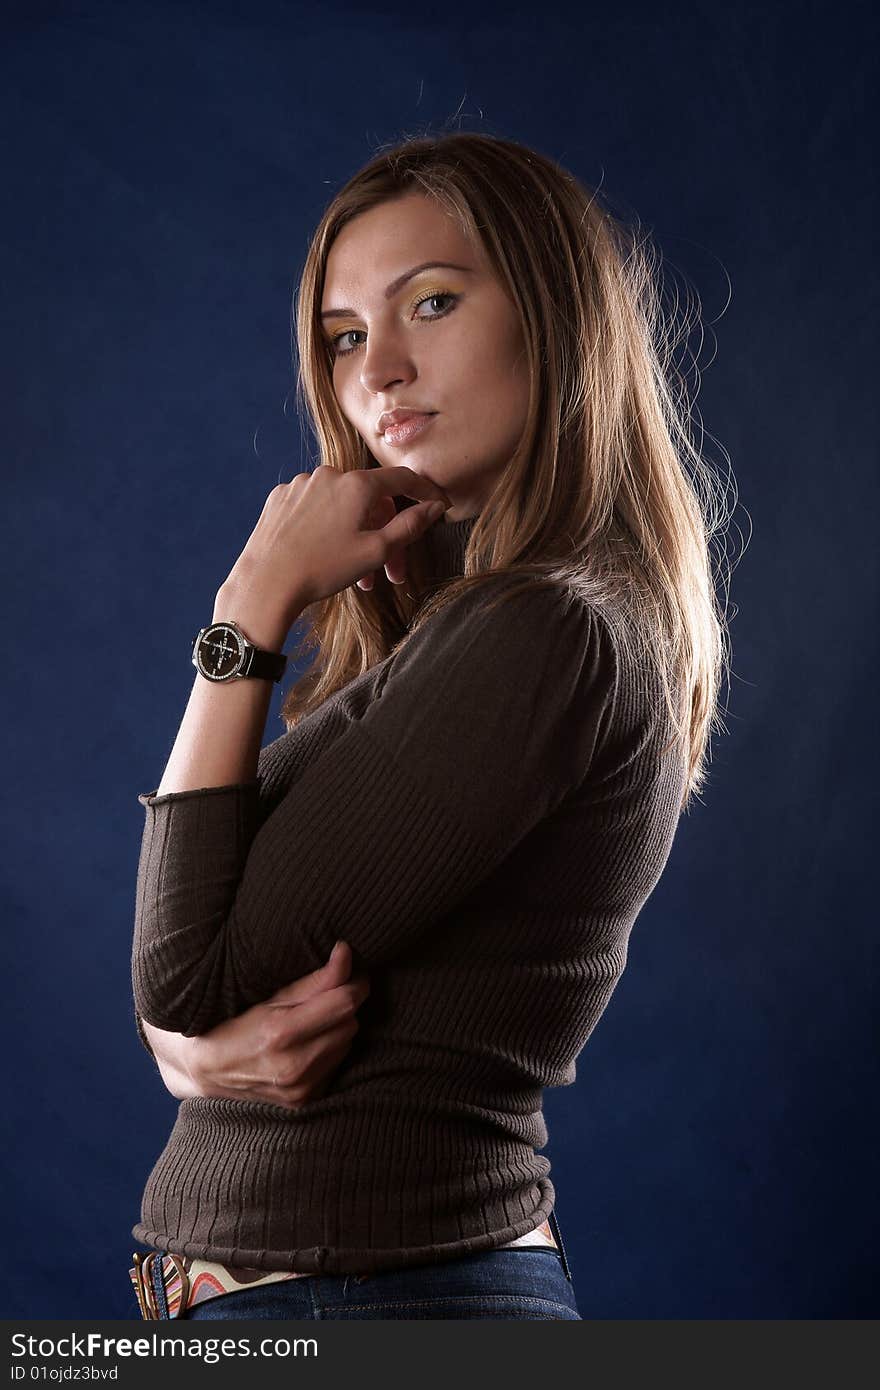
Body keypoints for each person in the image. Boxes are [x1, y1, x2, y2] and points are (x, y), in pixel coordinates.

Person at [128, 130, 732, 1321]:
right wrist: (186, 1048)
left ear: (556, 317)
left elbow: (187, 976)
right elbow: (201, 989)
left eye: (433, 303)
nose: (378, 371)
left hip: (377, 1302)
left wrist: (247, 608)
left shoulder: (548, 627)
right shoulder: (490, 628)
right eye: (346, 336)